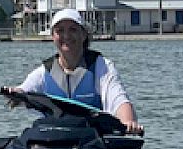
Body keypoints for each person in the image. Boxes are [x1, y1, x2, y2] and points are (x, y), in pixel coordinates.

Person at [12, 8, 142, 134]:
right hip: (55, 140)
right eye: (60, 31)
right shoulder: (44, 71)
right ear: (53, 36)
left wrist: (128, 121)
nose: (66, 36)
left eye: (73, 30)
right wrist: (14, 94)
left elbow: (118, 98)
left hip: (93, 140)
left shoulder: (101, 66)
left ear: (83, 35)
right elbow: (23, 90)